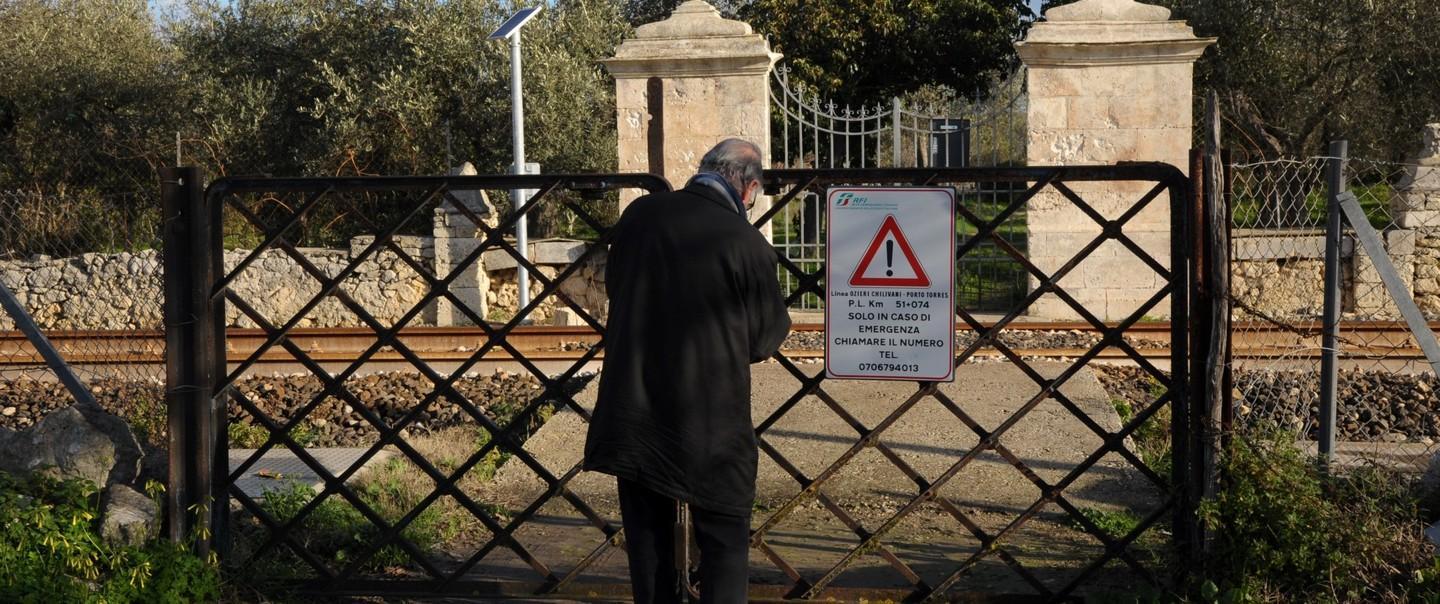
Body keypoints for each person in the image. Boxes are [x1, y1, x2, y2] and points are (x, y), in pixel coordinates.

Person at [583, 138, 792, 603]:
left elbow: (616, 287)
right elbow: (764, 340)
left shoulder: (640, 217)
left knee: (647, 539)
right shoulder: (747, 244)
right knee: (723, 537)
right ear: (748, 187)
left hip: (634, 413)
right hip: (710, 423)